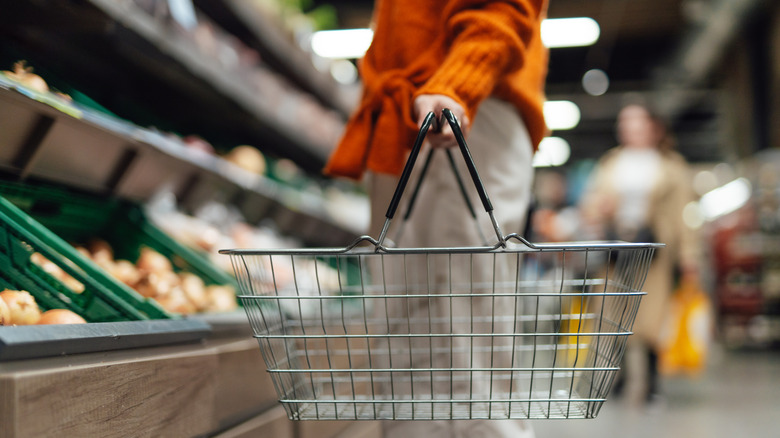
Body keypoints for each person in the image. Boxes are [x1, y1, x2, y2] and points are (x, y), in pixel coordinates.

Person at [324, 0, 548, 436]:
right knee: (411, 325)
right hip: (414, 114)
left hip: (460, 111)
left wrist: (459, 82)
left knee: (462, 335)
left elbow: (502, 8)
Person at [580, 103, 700, 405]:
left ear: (652, 127)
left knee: (652, 316)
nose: (629, 129)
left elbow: (684, 216)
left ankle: (652, 382)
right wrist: (599, 208)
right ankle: (615, 380)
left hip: (655, 250)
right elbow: (590, 203)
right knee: (613, 315)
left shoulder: (671, 166)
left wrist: (689, 256)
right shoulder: (611, 163)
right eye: (625, 123)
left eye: (636, 122)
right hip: (616, 249)